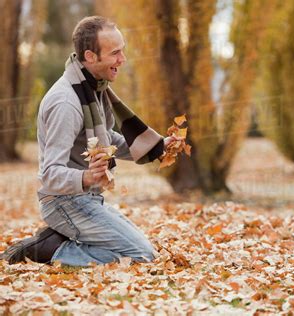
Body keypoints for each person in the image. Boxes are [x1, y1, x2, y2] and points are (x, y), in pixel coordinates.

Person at [1, 16, 178, 266]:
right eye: (115, 52)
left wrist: (157, 146)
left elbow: (108, 139)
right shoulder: (67, 103)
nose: (122, 59)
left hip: (87, 199)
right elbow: (50, 175)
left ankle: (58, 240)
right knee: (140, 255)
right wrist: (86, 178)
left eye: (122, 50)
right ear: (90, 56)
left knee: (143, 248)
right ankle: (48, 251)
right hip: (64, 202)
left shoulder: (93, 89)